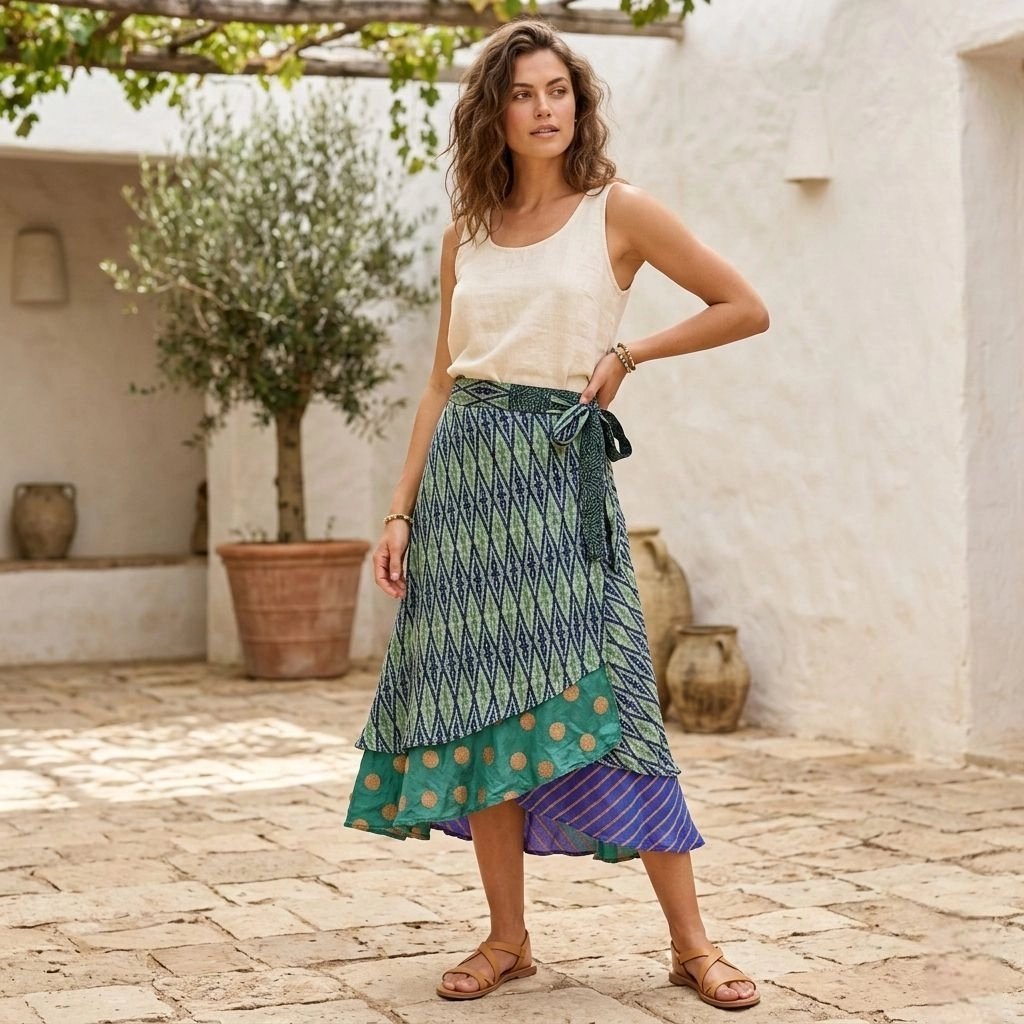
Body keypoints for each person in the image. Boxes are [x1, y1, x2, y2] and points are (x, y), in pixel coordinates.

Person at [343, 16, 769, 1011]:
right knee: (481, 705)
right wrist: (400, 512)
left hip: (557, 479)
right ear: (493, 115)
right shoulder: (465, 236)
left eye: (558, 91)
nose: (543, 110)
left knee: (619, 702)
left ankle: (692, 945)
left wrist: (629, 354)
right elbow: (441, 383)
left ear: (578, 103)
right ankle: (507, 938)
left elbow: (742, 306)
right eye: (522, 95)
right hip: (463, 489)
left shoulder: (618, 211)